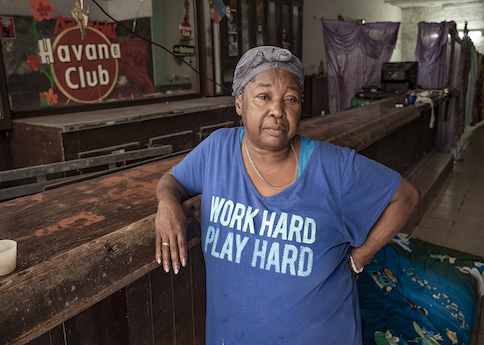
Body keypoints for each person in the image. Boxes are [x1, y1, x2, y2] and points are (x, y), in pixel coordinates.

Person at [155, 46, 420, 344]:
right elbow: (172, 180)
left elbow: (405, 196)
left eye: (290, 99)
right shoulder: (217, 150)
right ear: (240, 103)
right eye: (264, 96)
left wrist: (360, 257)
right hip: (233, 334)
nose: (278, 110)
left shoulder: (335, 167)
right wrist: (167, 203)